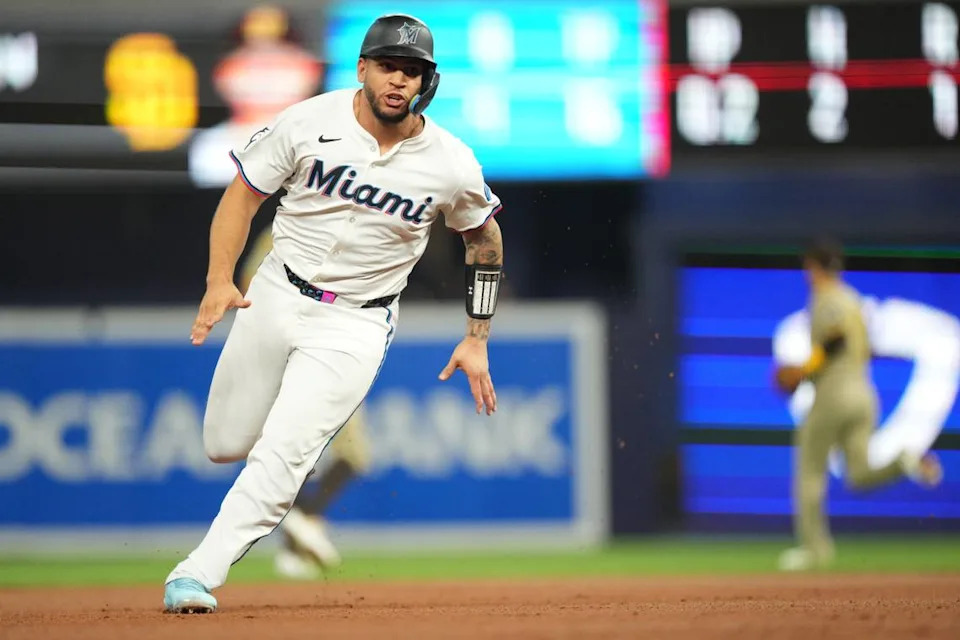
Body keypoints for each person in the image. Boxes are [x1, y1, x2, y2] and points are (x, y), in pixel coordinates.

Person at [163, 13, 504, 613]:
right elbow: (242, 195)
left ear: (429, 81)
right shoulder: (309, 119)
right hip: (275, 292)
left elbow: (485, 240)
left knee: (286, 454)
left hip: (357, 322)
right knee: (224, 443)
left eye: (413, 70)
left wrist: (477, 335)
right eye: (389, 66)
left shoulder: (450, 162)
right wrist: (220, 279)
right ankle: (269, 478)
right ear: (363, 69)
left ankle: (196, 573)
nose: (400, 81)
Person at [773, 238, 943, 572]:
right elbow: (864, 347)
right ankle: (903, 461)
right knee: (858, 474)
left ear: (813, 266)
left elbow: (835, 338)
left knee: (809, 470)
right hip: (864, 393)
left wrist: (805, 370)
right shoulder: (855, 300)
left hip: (834, 393)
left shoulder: (828, 298)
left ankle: (814, 548)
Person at [239, 227, 371, 578]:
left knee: (343, 455)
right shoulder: (290, 224)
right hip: (301, 349)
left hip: (336, 348)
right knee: (309, 449)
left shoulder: (356, 225)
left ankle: (298, 534)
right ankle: (302, 520)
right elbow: (250, 280)